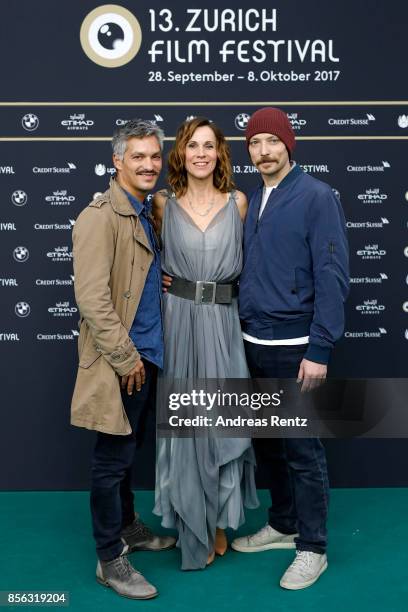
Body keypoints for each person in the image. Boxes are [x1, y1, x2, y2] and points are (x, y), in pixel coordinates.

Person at [231, 107, 349, 590]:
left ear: (288, 144)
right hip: (253, 343)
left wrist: (319, 348)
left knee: (302, 450)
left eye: (271, 142)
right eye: (255, 143)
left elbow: (332, 275)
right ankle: (283, 524)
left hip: (297, 345)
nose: (263, 152)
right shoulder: (257, 197)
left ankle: (313, 547)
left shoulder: (317, 196)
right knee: (272, 448)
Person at [71, 119, 176, 600]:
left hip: (149, 355)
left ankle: (130, 527)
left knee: (129, 453)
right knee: (111, 461)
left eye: (155, 156)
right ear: (117, 161)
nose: (149, 164)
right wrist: (125, 357)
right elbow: (93, 299)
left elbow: (135, 280)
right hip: (123, 360)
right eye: (138, 156)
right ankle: (110, 557)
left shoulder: (143, 212)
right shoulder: (100, 216)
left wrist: (161, 285)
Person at [152, 117, 258, 570]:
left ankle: (215, 521)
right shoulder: (161, 203)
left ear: (220, 153)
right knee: (184, 424)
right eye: (192, 145)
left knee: (220, 419)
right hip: (178, 323)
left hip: (222, 320)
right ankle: (185, 518)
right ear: (181, 152)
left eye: (209, 146)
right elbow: (143, 259)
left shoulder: (238, 202)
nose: (200, 153)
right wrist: (158, 280)